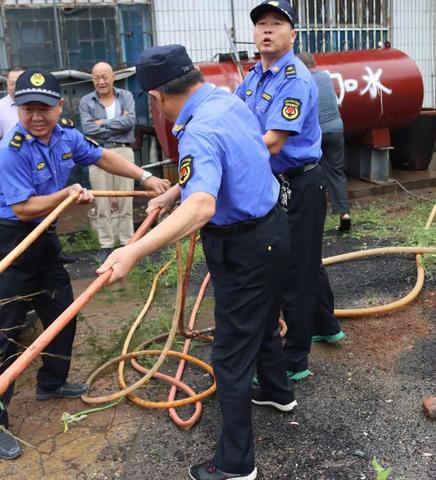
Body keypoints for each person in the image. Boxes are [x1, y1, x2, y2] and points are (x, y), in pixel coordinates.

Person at [97, 44, 295, 480]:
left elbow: (202, 206)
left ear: (154, 97)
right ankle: (280, 393)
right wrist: (175, 191)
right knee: (261, 322)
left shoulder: (197, 130)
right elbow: (240, 159)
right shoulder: (226, 99)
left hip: (243, 248)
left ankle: (235, 464)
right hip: (273, 230)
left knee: (229, 355)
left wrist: (133, 248)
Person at [0, 68, 169, 460]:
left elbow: (103, 155)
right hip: (12, 237)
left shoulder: (66, 136)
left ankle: (51, 382)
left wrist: (144, 176)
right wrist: (66, 193)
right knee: (6, 331)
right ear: (18, 110)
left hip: (44, 239)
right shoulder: (12, 148)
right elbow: (23, 207)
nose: (36, 116)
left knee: (62, 310)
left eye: (44, 108)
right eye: (28, 109)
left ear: (60, 106)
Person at [236, 0, 345, 382]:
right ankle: (326, 324)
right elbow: (235, 120)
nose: (267, 30)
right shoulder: (253, 77)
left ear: (292, 34)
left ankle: (294, 359)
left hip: (299, 182)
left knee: (292, 271)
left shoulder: (294, 79)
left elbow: (273, 142)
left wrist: (228, 160)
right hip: (278, 182)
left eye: (276, 24)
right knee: (306, 260)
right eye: (261, 23)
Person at [79, 62, 137, 263]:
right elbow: (88, 129)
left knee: (126, 199)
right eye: (96, 78)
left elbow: (130, 122)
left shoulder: (126, 96)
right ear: (92, 79)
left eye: (105, 76)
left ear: (113, 77)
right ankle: (106, 245)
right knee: (101, 200)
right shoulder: (86, 101)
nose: (101, 81)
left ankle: (127, 243)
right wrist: (118, 123)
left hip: (123, 151)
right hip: (97, 152)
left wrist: (102, 123)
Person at [297, 52, 351, 233]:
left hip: (316, 134)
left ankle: (311, 219)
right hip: (336, 129)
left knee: (308, 174)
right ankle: (344, 213)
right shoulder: (326, 76)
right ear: (314, 63)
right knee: (336, 172)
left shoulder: (301, 81)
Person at [0, 68, 24, 140]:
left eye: (20, 83)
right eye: (12, 83)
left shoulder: (38, 103)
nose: (16, 87)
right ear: (7, 84)